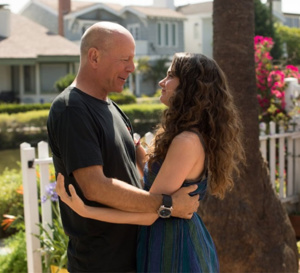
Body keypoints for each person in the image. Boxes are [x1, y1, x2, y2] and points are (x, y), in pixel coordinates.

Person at [56, 52, 246, 272]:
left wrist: (86, 211)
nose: (161, 82)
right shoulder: (184, 135)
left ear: (191, 87)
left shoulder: (186, 141)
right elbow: (160, 179)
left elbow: (149, 215)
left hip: (175, 247)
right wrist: (137, 150)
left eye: (170, 76)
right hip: (167, 240)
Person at [47, 22, 199, 273]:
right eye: (125, 59)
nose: (132, 67)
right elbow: (96, 187)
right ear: (94, 56)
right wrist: (169, 204)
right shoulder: (71, 109)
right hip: (102, 263)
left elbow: (138, 169)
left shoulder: (112, 108)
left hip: (136, 256)